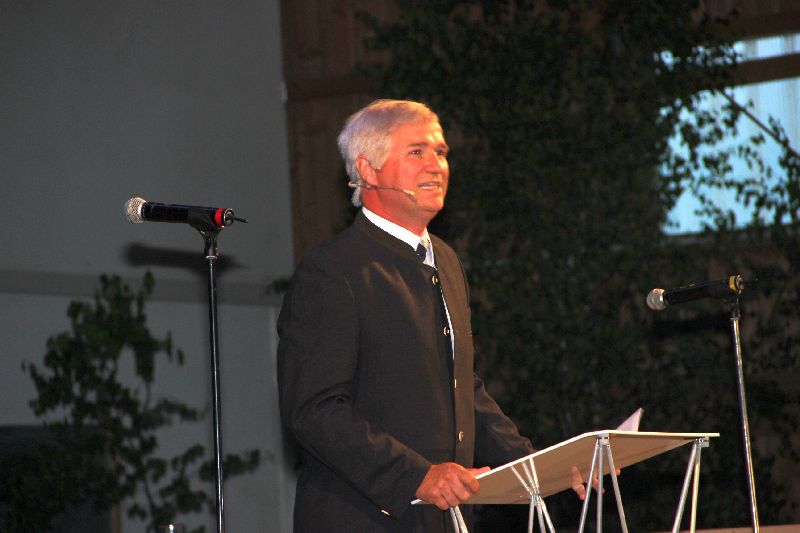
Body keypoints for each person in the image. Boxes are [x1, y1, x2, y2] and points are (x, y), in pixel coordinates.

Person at [277, 99, 537, 532]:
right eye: (417, 151)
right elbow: (314, 409)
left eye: (441, 152)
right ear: (369, 169)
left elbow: (460, 387)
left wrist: (537, 470)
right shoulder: (333, 271)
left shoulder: (445, 261)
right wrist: (416, 475)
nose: (436, 165)